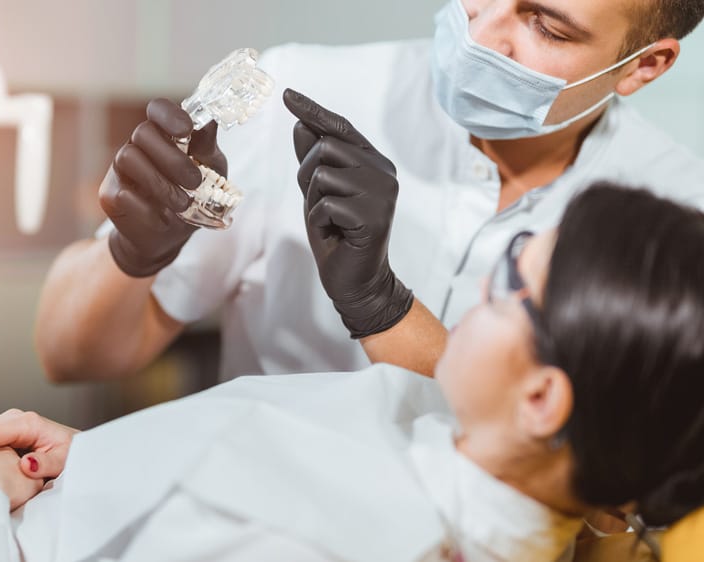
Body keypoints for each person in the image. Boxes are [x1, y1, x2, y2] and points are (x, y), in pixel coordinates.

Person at [0, 184, 704, 561]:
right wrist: (113, 459)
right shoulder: (442, 446)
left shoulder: (335, 540)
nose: (488, 281)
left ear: (540, 398)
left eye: (517, 280)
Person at [35, 0, 704, 384]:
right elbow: (69, 357)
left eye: (547, 27)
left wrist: (382, 307)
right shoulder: (297, 95)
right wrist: (130, 252)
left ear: (645, 65)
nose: (480, 34)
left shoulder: (676, 217)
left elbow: (588, 480)